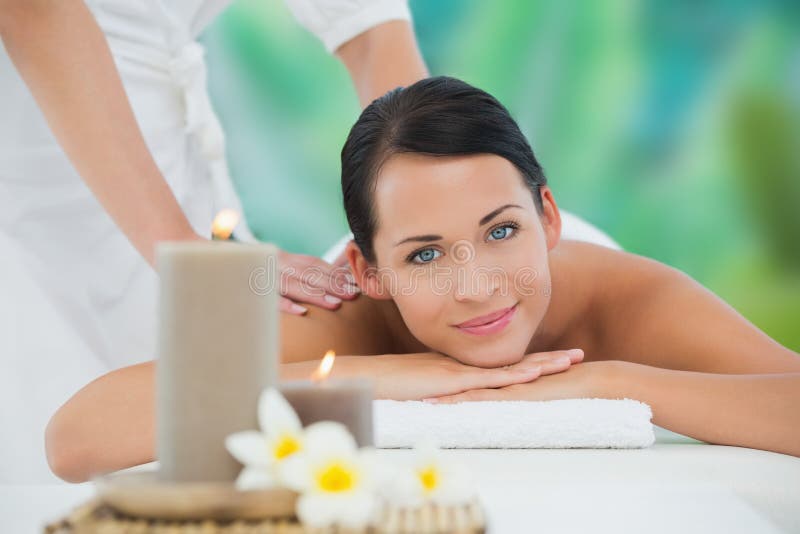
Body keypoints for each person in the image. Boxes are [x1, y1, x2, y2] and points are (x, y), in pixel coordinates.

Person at [45, 76, 800, 484]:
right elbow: (74, 439)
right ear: (366, 270)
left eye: (501, 230)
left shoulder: (625, 299)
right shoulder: (334, 319)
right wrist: (393, 377)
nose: (476, 286)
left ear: (549, 216)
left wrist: (615, 382)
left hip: (564, 289)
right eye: (426, 254)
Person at [0, 0, 428, 482]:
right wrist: (184, 251)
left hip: (172, 150)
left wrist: (435, 211)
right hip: (60, 138)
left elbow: (368, 27)